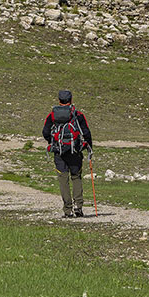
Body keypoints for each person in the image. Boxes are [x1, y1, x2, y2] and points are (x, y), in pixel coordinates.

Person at [43, 89, 92, 218]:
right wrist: (89, 147)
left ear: (59, 100)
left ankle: (67, 210)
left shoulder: (52, 115)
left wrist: (52, 142)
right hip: (75, 150)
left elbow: (45, 132)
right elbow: (86, 132)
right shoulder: (78, 115)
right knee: (76, 177)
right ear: (71, 100)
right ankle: (78, 207)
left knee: (63, 179)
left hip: (59, 151)